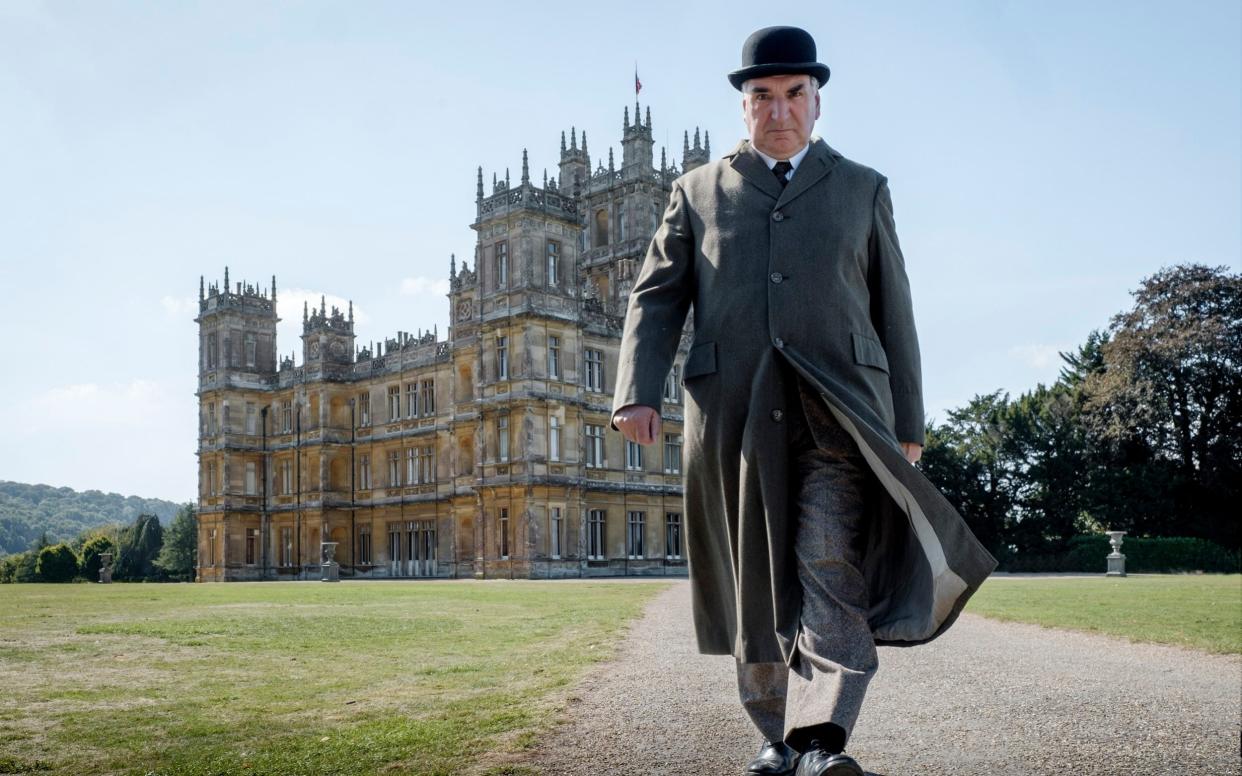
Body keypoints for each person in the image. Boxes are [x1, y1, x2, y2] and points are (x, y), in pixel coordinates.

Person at [610, 25, 997, 776]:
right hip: (734, 410)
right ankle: (772, 736)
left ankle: (822, 739)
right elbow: (655, 300)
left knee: (829, 564)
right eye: (762, 96)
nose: (778, 109)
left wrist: (908, 421)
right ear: (743, 105)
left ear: (816, 104)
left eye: (794, 95)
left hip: (842, 408)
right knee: (753, 577)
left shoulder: (862, 187)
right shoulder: (694, 192)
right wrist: (636, 391)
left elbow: (895, 310)